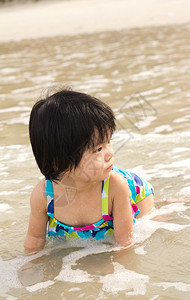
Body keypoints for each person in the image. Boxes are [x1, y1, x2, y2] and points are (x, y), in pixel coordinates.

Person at [24, 89, 154, 253]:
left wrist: (121, 274)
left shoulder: (116, 187)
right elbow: (34, 239)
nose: (110, 154)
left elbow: (125, 242)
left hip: (136, 193)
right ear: (60, 162)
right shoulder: (44, 195)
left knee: (151, 222)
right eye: (98, 149)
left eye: (109, 142)